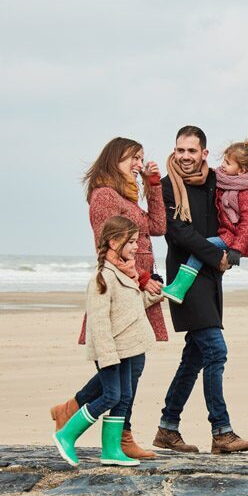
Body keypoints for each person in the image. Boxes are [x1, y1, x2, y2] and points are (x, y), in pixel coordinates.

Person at [49, 137, 166, 460]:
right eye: (133, 158)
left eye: (142, 159)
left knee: (131, 365)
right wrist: (140, 278)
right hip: (121, 290)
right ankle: (117, 435)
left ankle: (94, 424)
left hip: (136, 291)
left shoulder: (126, 196)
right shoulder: (103, 196)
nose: (138, 164)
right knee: (125, 368)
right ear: (114, 158)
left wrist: (153, 185)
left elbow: (157, 226)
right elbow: (108, 246)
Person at [152, 125, 248, 454]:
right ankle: (222, 431)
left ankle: (168, 428)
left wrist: (235, 249)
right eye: (180, 150)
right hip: (185, 279)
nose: (185, 156)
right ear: (174, 151)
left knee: (194, 357)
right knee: (215, 351)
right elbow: (178, 233)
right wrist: (218, 255)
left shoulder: (216, 180)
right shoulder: (167, 187)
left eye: (191, 151)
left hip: (211, 278)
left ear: (203, 154)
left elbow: (241, 198)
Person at [53, 216, 163, 467]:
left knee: (123, 396)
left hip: (128, 347)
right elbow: (99, 322)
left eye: (136, 241)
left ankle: (111, 450)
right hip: (112, 351)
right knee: (111, 396)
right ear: (114, 242)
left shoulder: (126, 272)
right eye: (131, 241)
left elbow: (131, 309)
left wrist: (154, 297)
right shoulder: (103, 278)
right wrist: (106, 357)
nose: (136, 247)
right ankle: (66, 434)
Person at [161, 139, 248, 302]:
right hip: (225, 233)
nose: (223, 165)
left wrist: (237, 249)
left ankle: (179, 287)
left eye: (228, 163)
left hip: (234, 238)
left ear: (241, 170)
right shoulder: (224, 179)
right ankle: (179, 287)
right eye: (224, 160)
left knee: (202, 248)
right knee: (203, 249)